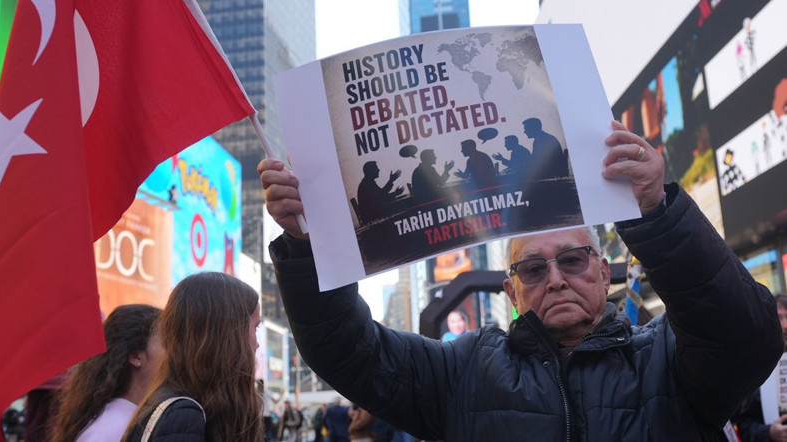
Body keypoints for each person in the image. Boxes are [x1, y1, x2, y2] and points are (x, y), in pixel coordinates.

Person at [258, 120, 783, 440]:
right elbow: (348, 352)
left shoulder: (667, 358)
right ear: (510, 292)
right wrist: (307, 247)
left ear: (604, 272)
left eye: (573, 260)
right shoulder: (464, 371)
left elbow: (749, 337)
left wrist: (657, 211)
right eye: (533, 268)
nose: (555, 279)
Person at [123, 272, 262, 441]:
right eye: (255, 328)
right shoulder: (183, 415)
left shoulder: (182, 405)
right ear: (228, 335)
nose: (257, 343)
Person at [50, 304, 162, 442]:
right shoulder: (111, 428)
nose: (174, 354)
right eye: (167, 343)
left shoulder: (126, 419)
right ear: (136, 357)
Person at [732, 294, 787, 442]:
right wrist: (768, 432)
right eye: (779, 318)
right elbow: (744, 424)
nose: (785, 325)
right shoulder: (757, 369)